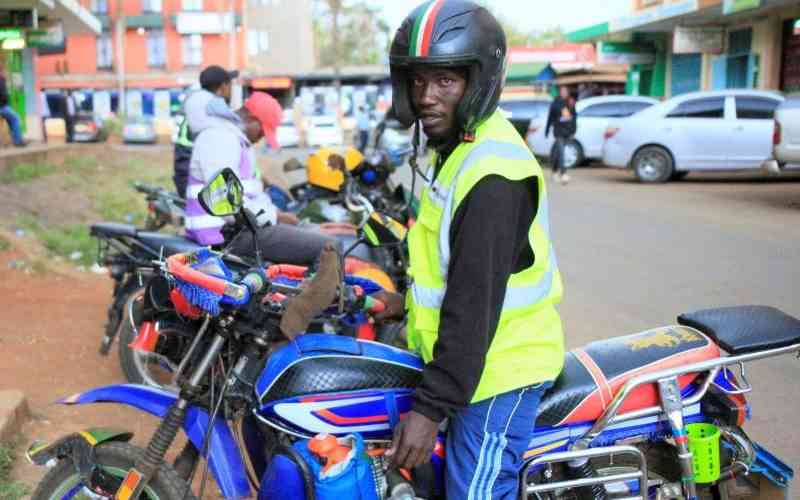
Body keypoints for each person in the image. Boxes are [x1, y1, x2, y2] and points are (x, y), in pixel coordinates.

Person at [375, 2, 565, 498]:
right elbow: (448, 269)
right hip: (470, 363)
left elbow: (472, 300)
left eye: (445, 82)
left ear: (478, 82)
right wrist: (403, 303)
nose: (426, 98)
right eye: (418, 81)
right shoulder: (460, 148)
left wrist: (429, 409)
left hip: (502, 371)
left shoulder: (494, 173)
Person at [185, 91, 335, 265]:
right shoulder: (220, 139)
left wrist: (275, 213)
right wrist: (274, 217)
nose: (262, 137)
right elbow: (225, 199)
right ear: (251, 118)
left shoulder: (236, 141)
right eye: (263, 131)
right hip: (223, 236)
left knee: (314, 234)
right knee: (329, 247)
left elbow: (250, 194)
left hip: (239, 230)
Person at [173, 65, 239, 197]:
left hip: (186, 171)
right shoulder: (210, 110)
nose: (232, 90)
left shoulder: (198, 105)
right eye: (230, 85)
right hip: (196, 179)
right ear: (223, 87)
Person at [545, 85, 577, 184]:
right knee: (562, 151)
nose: (563, 93)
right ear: (559, 92)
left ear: (567, 92)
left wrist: (573, 130)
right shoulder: (555, 103)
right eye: (562, 91)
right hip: (558, 131)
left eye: (565, 91)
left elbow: (574, 117)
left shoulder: (570, 103)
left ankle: (554, 171)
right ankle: (563, 173)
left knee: (558, 153)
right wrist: (547, 130)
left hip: (567, 131)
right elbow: (550, 117)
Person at [0, 74, 26, 147]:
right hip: (2, 106)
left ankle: (16, 140)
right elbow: (3, 94)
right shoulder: (1, 79)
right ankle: (18, 141)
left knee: (11, 119)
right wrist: (5, 101)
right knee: (15, 118)